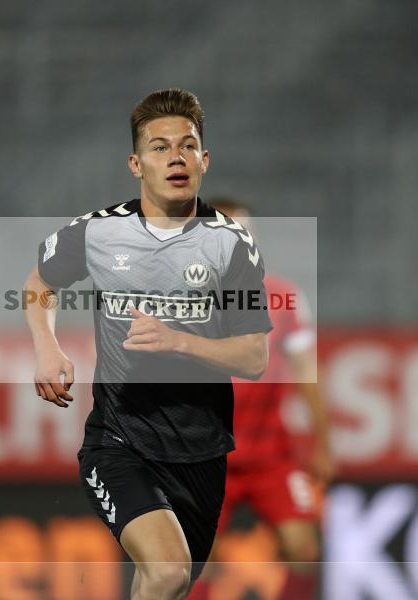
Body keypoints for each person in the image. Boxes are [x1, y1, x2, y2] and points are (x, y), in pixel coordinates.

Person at [23, 89, 273, 600]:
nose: (175, 157)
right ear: (136, 164)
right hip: (120, 440)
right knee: (167, 572)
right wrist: (46, 347)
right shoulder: (96, 233)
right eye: (159, 147)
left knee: (164, 585)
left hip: (201, 449)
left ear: (204, 159)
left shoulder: (232, 244)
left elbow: (254, 356)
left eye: (187, 146)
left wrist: (179, 341)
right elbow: (39, 283)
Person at [185, 198, 331, 600]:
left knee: (303, 548)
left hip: (270, 451)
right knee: (198, 558)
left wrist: (324, 442)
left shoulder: (283, 297)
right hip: (206, 455)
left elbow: (307, 373)